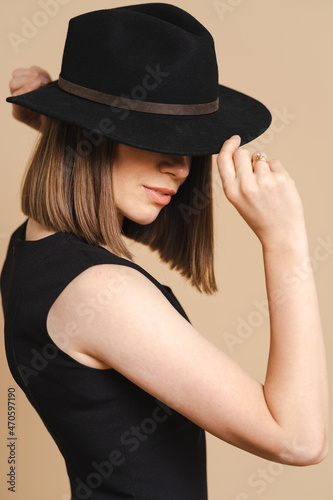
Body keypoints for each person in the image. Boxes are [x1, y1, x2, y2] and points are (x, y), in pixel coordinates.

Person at [1, 3, 329, 500]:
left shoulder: (33, 252)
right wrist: (285, 241)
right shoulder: (105, 294)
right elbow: (298, 439)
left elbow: (84, 186)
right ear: (91, 134)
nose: (181, 168)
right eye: (153, 137)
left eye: (187, 144)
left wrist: (56, 122)